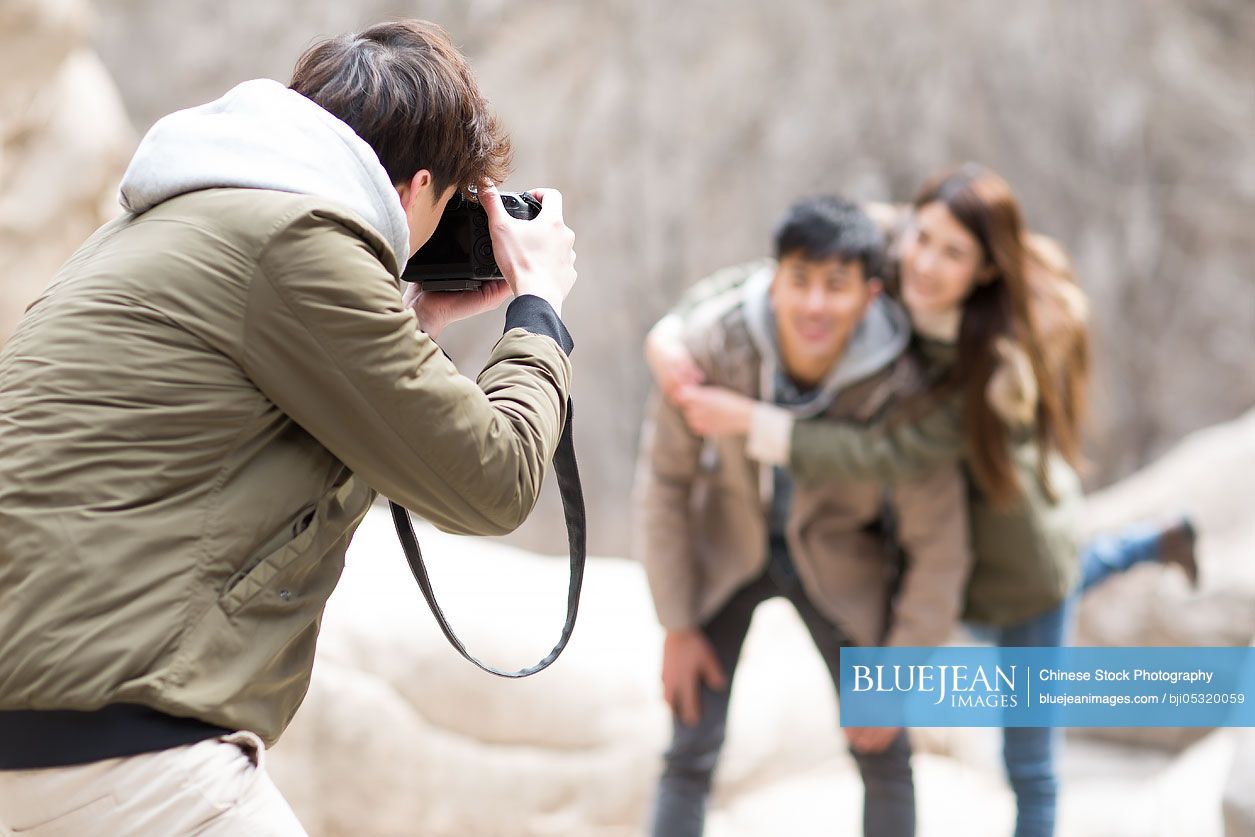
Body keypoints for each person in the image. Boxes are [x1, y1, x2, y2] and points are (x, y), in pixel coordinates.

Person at [0, 20, 578, 835]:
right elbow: (495, 481)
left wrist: (405, 321)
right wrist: (539, 311)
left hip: (45, 738)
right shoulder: (299, 239)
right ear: (415, 189)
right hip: (135, 756)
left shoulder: (167, 222)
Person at [644, 164, 1198, 837]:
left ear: (985, 270)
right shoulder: (873, 250)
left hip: (1011, 555)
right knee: (692, 747)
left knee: (1022, 754)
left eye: (954, 253)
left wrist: (746, 421)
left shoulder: (977, 366)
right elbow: (763, 274)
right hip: (850, 544)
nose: (928, 263)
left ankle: (1143, 543)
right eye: (923, 240)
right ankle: (1153, 539)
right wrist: (667, 332)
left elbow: (886, 464)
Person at [634, 195, 972, 837]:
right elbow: (664, 484)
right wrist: (676, 623)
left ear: (870, 295)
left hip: (841, 560)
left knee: (884, 747)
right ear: (774, 278)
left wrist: (903, 664)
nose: (815, 305)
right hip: (727, 546)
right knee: (689, 746)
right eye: (801, 280)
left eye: (836, 286)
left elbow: (941, 542)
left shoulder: (902, 386)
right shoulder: (714, 345)